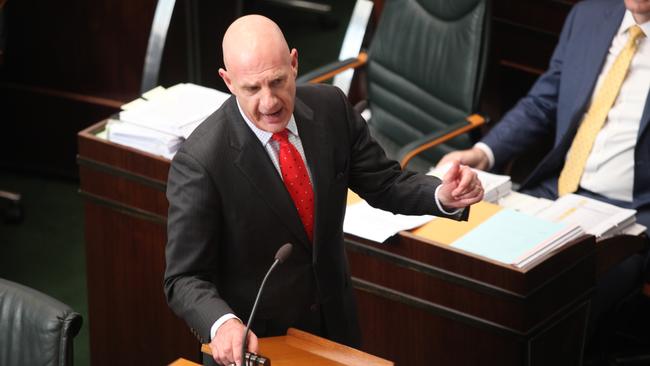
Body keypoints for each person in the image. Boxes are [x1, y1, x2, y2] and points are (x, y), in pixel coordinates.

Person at [164, 15, 484, 366]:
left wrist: (442, 195)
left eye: (277, 81)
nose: (270, 102)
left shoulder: (331, 108)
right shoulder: (201, 161)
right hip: (259, 346)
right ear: (228, 81)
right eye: (253, 89)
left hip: (336, 328)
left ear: (295, 63)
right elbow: (185, 277)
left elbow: (386, 183)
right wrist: (222, 325)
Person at [439, 0, 649, 356]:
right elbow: (543, 102)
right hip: (556, 191)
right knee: (468, 262)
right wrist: (483, 153)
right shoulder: (590, 14)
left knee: (557, 296)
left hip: (633, 213)